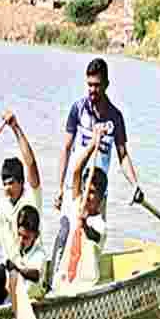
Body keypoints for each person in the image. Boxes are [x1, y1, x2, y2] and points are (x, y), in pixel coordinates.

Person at [54, 57, 139, 212]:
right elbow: (66, 149)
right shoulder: (78, 109)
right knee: (67, 234)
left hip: (98, 196)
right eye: (90, 85)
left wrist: (134, 185)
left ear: (106, 85)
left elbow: (123, 156)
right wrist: (59, 187)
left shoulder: (115, 117)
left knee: (95, 235)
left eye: (97, 85)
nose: (92, 90)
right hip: (74, 188)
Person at [0, 109, 43, 256]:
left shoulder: (31, 199)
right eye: (4, 184)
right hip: (11, 268)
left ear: (21, 182)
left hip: (31, 265)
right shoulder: (3, 206)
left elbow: (31, 164)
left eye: (11, 183)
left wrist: (15, 127)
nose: (7, 188)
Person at [53, 125, 109, 290]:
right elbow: (77, 171)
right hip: (66, 281)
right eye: (86, 191)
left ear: (101, 198)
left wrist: (83, 223)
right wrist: (93, 143)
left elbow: (93, 236)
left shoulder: (100, 224)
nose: (87, 196)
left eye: (92, 193)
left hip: (86, 285)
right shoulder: (78, 204)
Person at [4, 205, 46, 302]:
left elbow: (35, 274)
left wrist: (17, 269)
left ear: (36, 236)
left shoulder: (39, 254)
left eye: (26, 237)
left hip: (31, 302)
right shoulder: (15, 249)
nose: (21, 240)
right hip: (12, 299)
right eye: (19, 235)